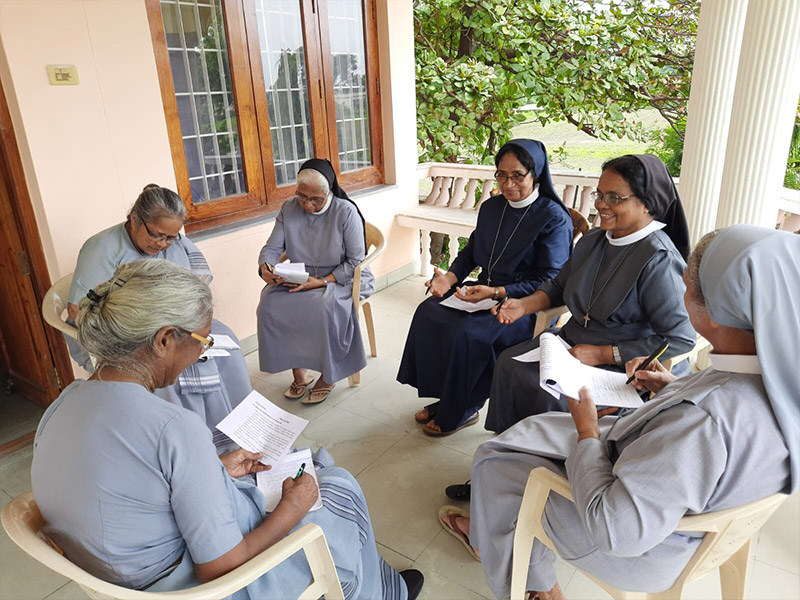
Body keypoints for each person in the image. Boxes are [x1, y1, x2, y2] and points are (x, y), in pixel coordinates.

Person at [439, 225, 797, 599]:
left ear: (720, 310)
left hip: (644, 548)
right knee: (534, 430)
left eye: (689, 288)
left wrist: (587, 432)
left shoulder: (704, 421)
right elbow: (717, 436)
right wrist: (671, 389)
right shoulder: (779, 376)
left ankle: (531, 581)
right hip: (680, 505)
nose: (682, 295)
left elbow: (615, 531)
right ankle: (498, 536)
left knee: (496, 463)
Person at [32, 259, 423, 600]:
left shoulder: (61, 406)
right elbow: (221, 568)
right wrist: (292, 509)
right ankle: (382, 593)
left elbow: (128, 489)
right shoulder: (173, 428)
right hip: (191, 589)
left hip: (123, 580)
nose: (203, 351)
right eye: (202, 340)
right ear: (164, 340)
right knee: (336, 486)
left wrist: (214, 469)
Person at [486, 154, 696, 435]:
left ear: (647, 203)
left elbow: (680, 338)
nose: (600, 204)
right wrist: (523, 305)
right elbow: (559, 286)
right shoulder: (593, 239)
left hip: (621, 366)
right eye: (600, 194)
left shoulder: (659, 259)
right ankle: (508, 448)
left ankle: (557, 458)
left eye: (614, 197)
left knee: (552, 394)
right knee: (509, 363)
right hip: (570, 346)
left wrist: (602, 354)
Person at [396, 139, 573, 436]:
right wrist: (450, 278)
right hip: (484, 291)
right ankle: (448, 397)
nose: (508, 184)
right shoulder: (491, 207)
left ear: (536, 174)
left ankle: (463, 409)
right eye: (501, 174)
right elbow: (470, 252)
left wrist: (499, 293)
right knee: (429, 313)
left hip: (524, 304)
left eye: (517, 175)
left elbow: (552, 278)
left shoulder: (553, 218)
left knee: (468, 334)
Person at [66, 184, 250, 449]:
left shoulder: (175, 243)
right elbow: (79, 310)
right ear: (135, 219)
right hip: (125, 332)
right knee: (167, 368)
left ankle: (236, 434)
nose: (163, 244)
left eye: (170, 238)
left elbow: (192, 288)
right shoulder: (101, 248)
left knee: (226, 341)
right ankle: (183, 444)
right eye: (157, 235)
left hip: (173, 322)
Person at [256, 159, 374, 404]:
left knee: (323, 308)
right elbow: (272, 248)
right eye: (302, 197)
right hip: (300, 275)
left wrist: (322, 282)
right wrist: (265, 267)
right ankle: (299, 372)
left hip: (341, 279)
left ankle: (329, 376)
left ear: (328, 192)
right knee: (269, 303)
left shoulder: (345, 212)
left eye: (316, 200)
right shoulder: (288, 209)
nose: (308, 205)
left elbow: (355, 261)